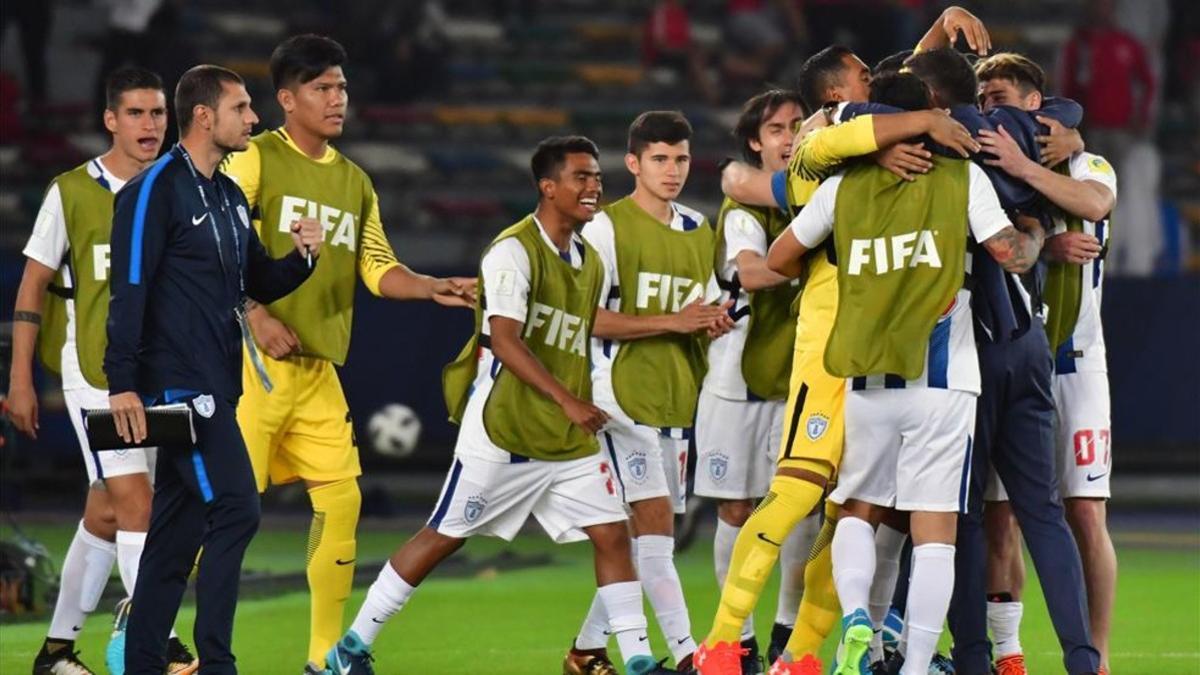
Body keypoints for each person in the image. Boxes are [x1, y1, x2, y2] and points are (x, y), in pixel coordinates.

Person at [326, 136, 676, 675]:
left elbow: (582, 332)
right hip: (504, 433)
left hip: (562, 439)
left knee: (612, 534)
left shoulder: (589, 261)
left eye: (597, 178)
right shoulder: (512, 251)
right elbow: (506, 341)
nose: (593, 188)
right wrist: (568, 400)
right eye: (581, 177)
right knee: (443, 537)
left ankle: (636, 660)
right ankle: (349, 650)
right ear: (548, 187)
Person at [697, 35, 981, 675]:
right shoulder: (817, 142)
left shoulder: (884, 146)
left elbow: (900, 80)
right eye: (859, 77)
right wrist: (927, 121)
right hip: (825, 350)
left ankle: (800, 656)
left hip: (872, 360)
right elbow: (857, 129)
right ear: (835, 97)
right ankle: (720, 644)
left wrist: (939, 30)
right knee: (794, 494)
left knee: (850, 519)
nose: (873, 83)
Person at [767, 69, 1043, 675]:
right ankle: (915, 665)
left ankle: (857, 622)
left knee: (857, 508)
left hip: (866, 380)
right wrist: (1036, 233)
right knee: (934, 531)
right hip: (943, 385)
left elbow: (778, 258)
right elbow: (1008, 255)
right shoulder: (961, 178)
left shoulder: (841, 191)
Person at [221, 34, 474, 674]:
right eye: (322, 88)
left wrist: (428, 286)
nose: (338, 99)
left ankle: (324, 659)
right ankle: (146, 629)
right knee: (226, 516)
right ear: (287, 98)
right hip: (248, 368)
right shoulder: (254, 161)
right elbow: (215, 240)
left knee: (341, 503)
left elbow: (377, 266)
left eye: (341, 87)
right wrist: (255, 312)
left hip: (316, 369)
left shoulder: (355, 181)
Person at [104, 64, 323, 675]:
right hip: (176, 384)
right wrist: (122, 382)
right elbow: (130, 289)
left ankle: (144, 662)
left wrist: (302, 256)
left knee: (178, 529)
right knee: (236, 508)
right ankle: (218, 664)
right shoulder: (154, 189)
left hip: (218, 382)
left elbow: (258, 279)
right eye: (242, 107)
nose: (253, 119)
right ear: (205, 116)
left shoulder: (227, 195)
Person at [7, 65, 197, 675]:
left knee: (108, 512)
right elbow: (34, 281)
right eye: (136, 114)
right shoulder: (73, 191)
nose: (150, 125)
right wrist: (18, 379)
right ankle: (156, 639)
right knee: (139, 505)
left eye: (158, 113)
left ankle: (55, 652)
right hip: (93, 371)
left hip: (160, 375)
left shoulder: (180, 187)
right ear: (110, 120)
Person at [566, 110, 733, 673]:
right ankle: (686, 657)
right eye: (659, 159)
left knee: (642, 541)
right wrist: (674, 321)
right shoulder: (605, 229)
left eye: (681, 159)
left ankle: (587, 650)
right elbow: (583, 317)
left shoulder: (699, 228)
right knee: (657, 532)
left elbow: (700, 309)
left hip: (675, 398)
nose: (672, 170)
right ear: (633, 163)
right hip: (620, 400)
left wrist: (711, 320)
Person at [973, 52, 1118, 675]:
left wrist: (1025, 164)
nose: (986, 109)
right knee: (1001, 515)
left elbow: (1095, 203)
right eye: (980, 100)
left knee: (1085, 512)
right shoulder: (990, 169)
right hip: (1012, 355)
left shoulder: (1089, 160)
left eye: (998, 95)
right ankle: (1011, 653)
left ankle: (1099, 656)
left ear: (1035, 103)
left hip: (1078, 361)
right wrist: (1043, 246)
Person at [695, 89, 813, 674]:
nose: (789, 137)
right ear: (755, 141)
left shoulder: (817, 197)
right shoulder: (745, 210)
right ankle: (735, 639)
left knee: (801, 512)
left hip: (800, 378)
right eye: (776, 129)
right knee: (736, 510)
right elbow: (748, 270)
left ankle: (787, 633)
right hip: (736, 382)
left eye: (797, 126)